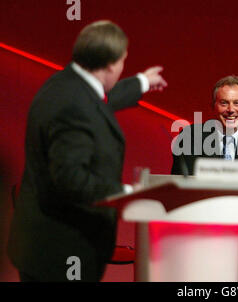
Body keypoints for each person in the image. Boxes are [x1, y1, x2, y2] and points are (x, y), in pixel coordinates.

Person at [7, 20, 168, 282]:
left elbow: (98, 99)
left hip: (42, 246)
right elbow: (71, 179)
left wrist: (142, 82)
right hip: (62, 252)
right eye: (122, 61)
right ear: (110, 64)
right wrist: (129, 194)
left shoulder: (64, 84)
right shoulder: (74, 107)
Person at [171, 75, 238, 175]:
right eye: (224, 103)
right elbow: (185, 183)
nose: (231, 110)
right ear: (213, 106)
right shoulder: (190, 137)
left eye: (237, 103)